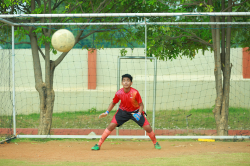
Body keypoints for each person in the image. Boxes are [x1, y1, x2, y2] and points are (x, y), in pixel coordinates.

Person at [91, 74, 161, 150]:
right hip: (123, 112)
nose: (126, 82)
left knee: (148, 127)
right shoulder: (119, 93)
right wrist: (107, 112)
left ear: (131, 83)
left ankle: (155, 143)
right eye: (124, 80)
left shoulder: (135, 92)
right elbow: (113, 103)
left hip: (135, 112)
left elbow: (141, 105)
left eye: (128, 80)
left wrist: (139, 113)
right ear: (122, 82)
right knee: (111, 126)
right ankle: (98, 144)